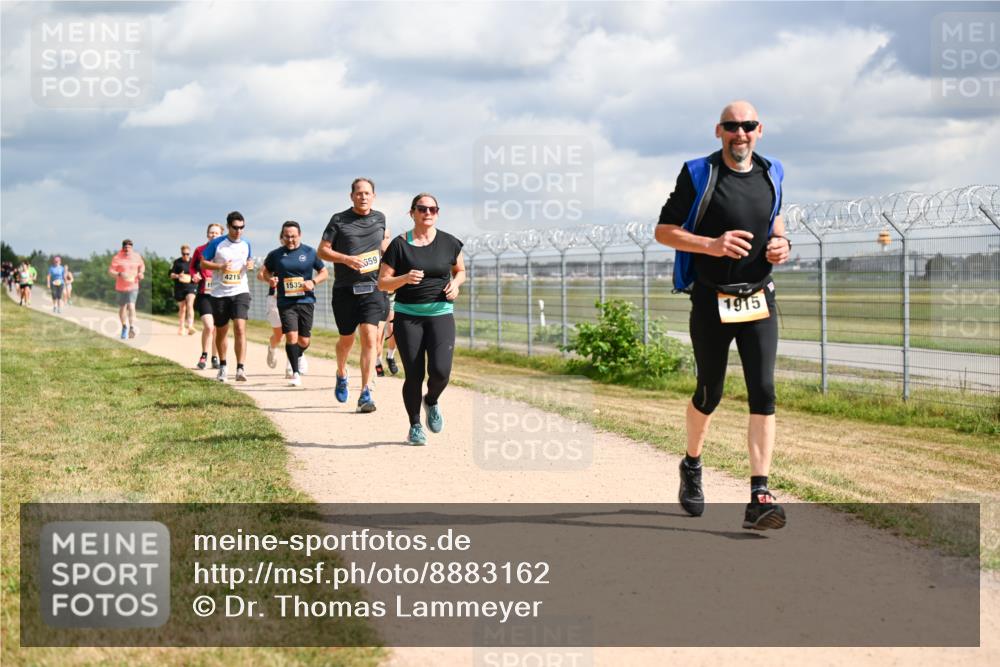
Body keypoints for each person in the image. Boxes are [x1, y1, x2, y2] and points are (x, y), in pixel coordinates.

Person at [654, 100, 791, 530]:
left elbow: (776, 222)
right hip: (712, 300)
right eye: (732, 126)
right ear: (719, 131)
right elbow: (663, 231)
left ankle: (759, 493)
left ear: (759, 130)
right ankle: (692, 464)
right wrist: (711, 245)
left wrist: (782, 245)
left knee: (764, 391)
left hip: (759, 299)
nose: (740, 133)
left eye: (747, 126)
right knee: (709, 391)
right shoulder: (699, 173)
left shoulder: (774, 173)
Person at [378, 193, 465, 445]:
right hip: (408, 317)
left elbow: (460, 271)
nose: (428, 213)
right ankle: (415, 425)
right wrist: (404, 279)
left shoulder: (450, 242)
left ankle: (432, 400)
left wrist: (456, 284)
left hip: (440, 314)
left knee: (440, 372)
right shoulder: (399, 245)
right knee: (414, 375)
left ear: (437, 212)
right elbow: (383, 283)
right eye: (422, 209)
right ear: (412, 213)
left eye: (433, 209)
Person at [318, 177, 390, 412]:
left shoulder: (380, 218)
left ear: (374, 196)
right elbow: (323, 251)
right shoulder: (339, 220)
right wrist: (346, 259)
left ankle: (365, 392)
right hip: (345, 290)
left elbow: (384, 245)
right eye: (359, 193)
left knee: (370, 339)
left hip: (372, 289)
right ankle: (341, 372)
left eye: (367, 193)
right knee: (346, 340)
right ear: (352, 196)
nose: (363, 197)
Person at [260, 221, 328, 387]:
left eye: (293, 236)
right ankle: (295, 373)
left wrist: (313, 281)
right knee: (291, 336)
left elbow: (324, 272)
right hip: (285, 301)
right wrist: (270, 279)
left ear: (300, 235)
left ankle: (297, 355)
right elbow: (263, 272)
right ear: (282, 236)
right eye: (287, 236)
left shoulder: (310, 252)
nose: (290, 240)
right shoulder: (276, 254)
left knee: (304, 341)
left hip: (306, 300)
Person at [200, 212, 254, 382]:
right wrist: (220, 266)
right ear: (229, 226)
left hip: (240, 291)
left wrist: (251, 263)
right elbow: (203, 262)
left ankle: (240, 368)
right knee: (222, 331)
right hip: (219, 293)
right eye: (235, 227)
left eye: (242, 227)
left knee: (239, 327)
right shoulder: (217, 243)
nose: (239, 231)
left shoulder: (246, 244)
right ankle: (223, 365)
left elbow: (249, 259)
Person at [190, 223, 224, 370]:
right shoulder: (200, 250)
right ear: (207, 234)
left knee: (217, 327)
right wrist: (194, 275)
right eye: (211, 233)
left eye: (216, 233)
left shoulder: (225, 251)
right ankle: (204, 356)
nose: (213, 235)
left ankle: (215, 357)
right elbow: (192, 267)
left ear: (221, 235)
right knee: (209, 326)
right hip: (204, 293)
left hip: (220, 293)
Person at [108, 239, 145, 339]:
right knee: (122, 307)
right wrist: (119, 274)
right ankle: (124, 326)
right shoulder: (117, 257)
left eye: (129, 247)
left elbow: (142, 266)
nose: (128, 249)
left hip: (133, 285)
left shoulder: (137, 256)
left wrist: (141, 273)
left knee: (131, 305)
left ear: (132, 247)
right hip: (121, 287)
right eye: (126, 247)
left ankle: (132, 328)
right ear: (123, 247)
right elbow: (111, 271)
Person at [170, 245, 198, 335]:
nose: (186, 255)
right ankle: (181, 327)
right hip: (180, 287)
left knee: (190, 304)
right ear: (181, 253)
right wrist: (178, 276)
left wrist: (196, 277)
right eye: (184, 254)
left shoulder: (194, 262)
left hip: (191, 286)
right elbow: (171, 275)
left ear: (190, 253)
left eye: (187, 254)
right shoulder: (177, 262)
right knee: (182, 308)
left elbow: (200, 273)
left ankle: (190, 326)